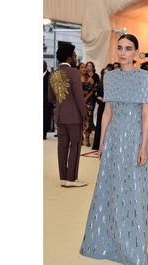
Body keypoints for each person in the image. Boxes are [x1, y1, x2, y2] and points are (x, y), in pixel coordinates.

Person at [80, 34, 148, 265]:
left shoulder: (146, 77)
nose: (123, 52)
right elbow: (107, 113)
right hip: (113, 140)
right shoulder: (109, 77)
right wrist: (101, 143)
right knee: (111, 188)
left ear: (136, 52)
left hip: (134, 140)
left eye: (128, 48)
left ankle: (132, 244)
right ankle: (109, 240)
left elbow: (146, 115)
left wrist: (143, 146)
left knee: (133, 191)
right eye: (120, 48)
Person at [48, 43, 88, 188]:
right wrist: (85, 116)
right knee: (75, 146)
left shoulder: (53, 73)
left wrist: (62, 103)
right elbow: (79, 97)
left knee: (62, 147)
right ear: (69, 58)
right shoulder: (74, 73)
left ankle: (63, 178)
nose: (76, 58)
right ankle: (71, 179)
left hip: (60, 116)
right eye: (75, 56)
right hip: (74, 117)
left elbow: (51, 98)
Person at [91, 67, 109, 150]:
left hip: (110, 108)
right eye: (104, 73)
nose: (106, 75)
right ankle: (97, 144)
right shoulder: (100, 84)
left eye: (108, 73)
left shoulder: (114, 84)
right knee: (99, 125)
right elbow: (96, 97)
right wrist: (101, 99)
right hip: (101, 107)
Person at [78, 62, 95, 147]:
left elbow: (93, 90)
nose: (84, 69)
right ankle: (80, 138)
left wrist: (86, 98)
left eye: (85, 67)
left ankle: (87, 139)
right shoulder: (76, 78)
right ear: (79, 69)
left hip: (88, 102)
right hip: (78, 102)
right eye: (82, 67)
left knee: (87, 119)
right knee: (79, 119)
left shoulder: (90, 79)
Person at [43, 60, 53, 140]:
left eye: (43, 65)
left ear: (46, 66)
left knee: (45, 117)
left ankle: (43, 134)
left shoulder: (50, 75)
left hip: (46, 101)